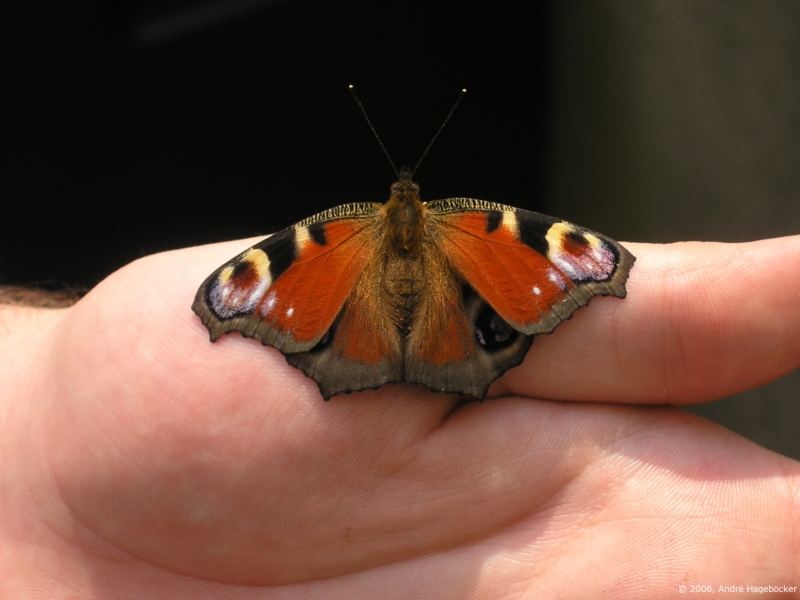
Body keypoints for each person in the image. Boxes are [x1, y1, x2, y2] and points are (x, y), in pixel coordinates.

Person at [1, 235, 798, 598]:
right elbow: (241, 286)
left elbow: (575, 262)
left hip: (361, 332)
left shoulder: (327, 242)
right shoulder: (477, 227)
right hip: (444, 331)